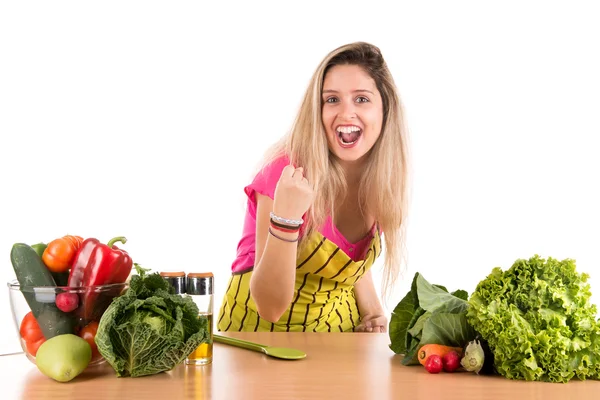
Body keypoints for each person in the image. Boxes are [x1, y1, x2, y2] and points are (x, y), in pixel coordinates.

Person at [217, 42, 410, 333]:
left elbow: (347, 256)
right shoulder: (286, 174)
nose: (346, 113)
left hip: (335, 334)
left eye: (361, 99)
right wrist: (286, 218)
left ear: (385, 110)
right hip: (261, 338)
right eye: (332, 100)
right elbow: (269, 308)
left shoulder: (381, 179)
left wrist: (372, 312)